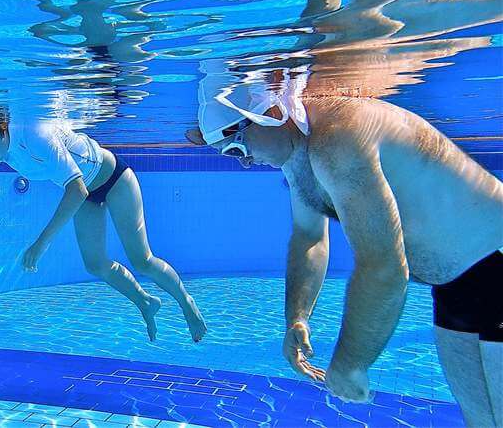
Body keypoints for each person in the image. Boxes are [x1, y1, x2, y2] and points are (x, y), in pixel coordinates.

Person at [186, 65, 502, 426]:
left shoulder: (339, 139)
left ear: (271, 113)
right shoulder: (297, 153)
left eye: (237, 142)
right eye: (226, 152)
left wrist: (352, 362)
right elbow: (309, 239)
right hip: (458, 285)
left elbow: (384, 268)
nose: (241, 160)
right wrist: (297, 318)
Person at [0, 105, 207, 343]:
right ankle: (145, 302)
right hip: (87, 193)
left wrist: (40, 244)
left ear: (1, 132)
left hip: (114, 179)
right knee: (95, 264)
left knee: (142, 260)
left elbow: (76, 190)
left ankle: (187, 304)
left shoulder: (34, 133)